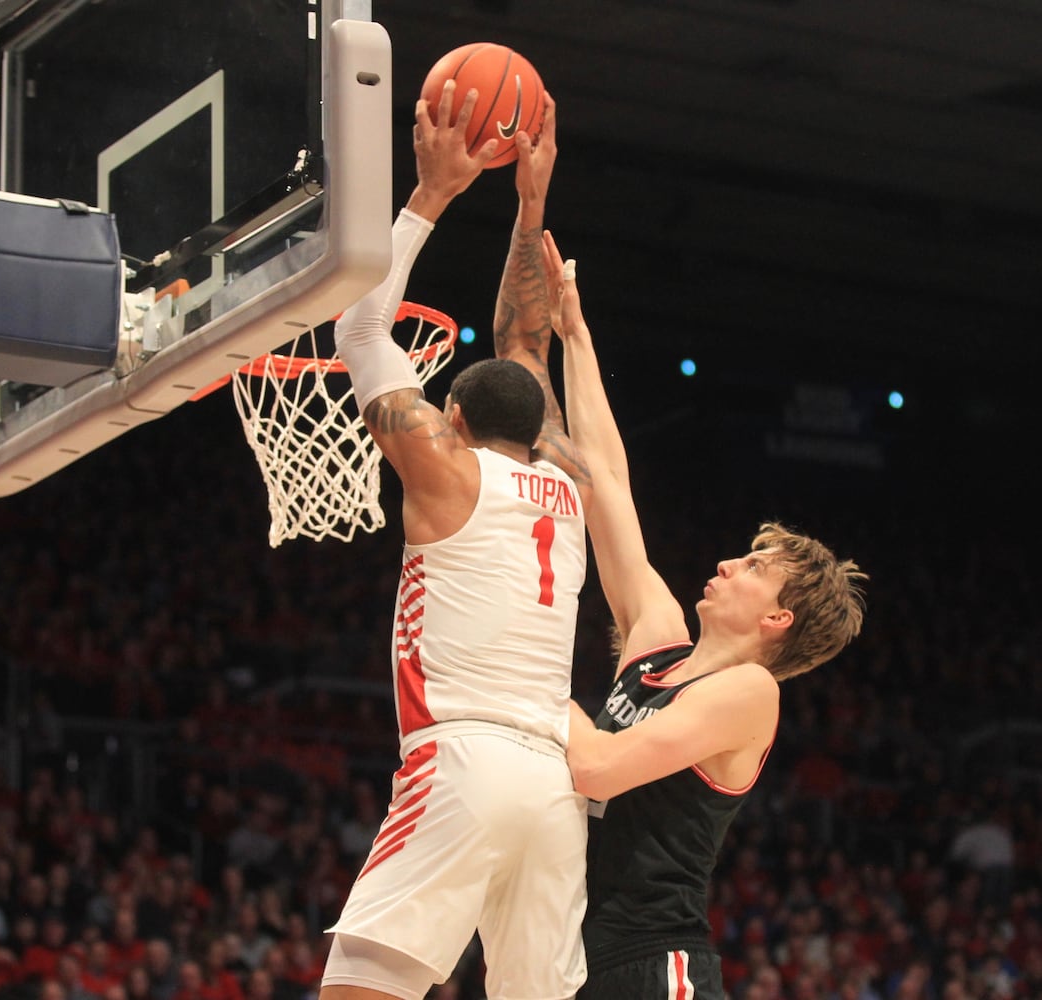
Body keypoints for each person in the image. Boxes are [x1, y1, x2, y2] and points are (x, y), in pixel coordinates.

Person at [533, 230, 867, 1000]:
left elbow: (598, 767)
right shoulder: (656, 645)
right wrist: (573, 336)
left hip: (655, 966)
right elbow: (606, 480)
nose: (725, 564)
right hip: (565, 958)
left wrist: (521, 668)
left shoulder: (750, 693)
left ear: (778, 620)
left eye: (753, 567)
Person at [319, 82, 591, 1000]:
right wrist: (529, 200)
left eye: (441, 406)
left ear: (457, 417)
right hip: (554, 785)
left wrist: (431, 194)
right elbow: (525, 339)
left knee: (359, 989)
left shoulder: (448, 467)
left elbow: (358, 326)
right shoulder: (566, 479)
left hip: (462, 761)